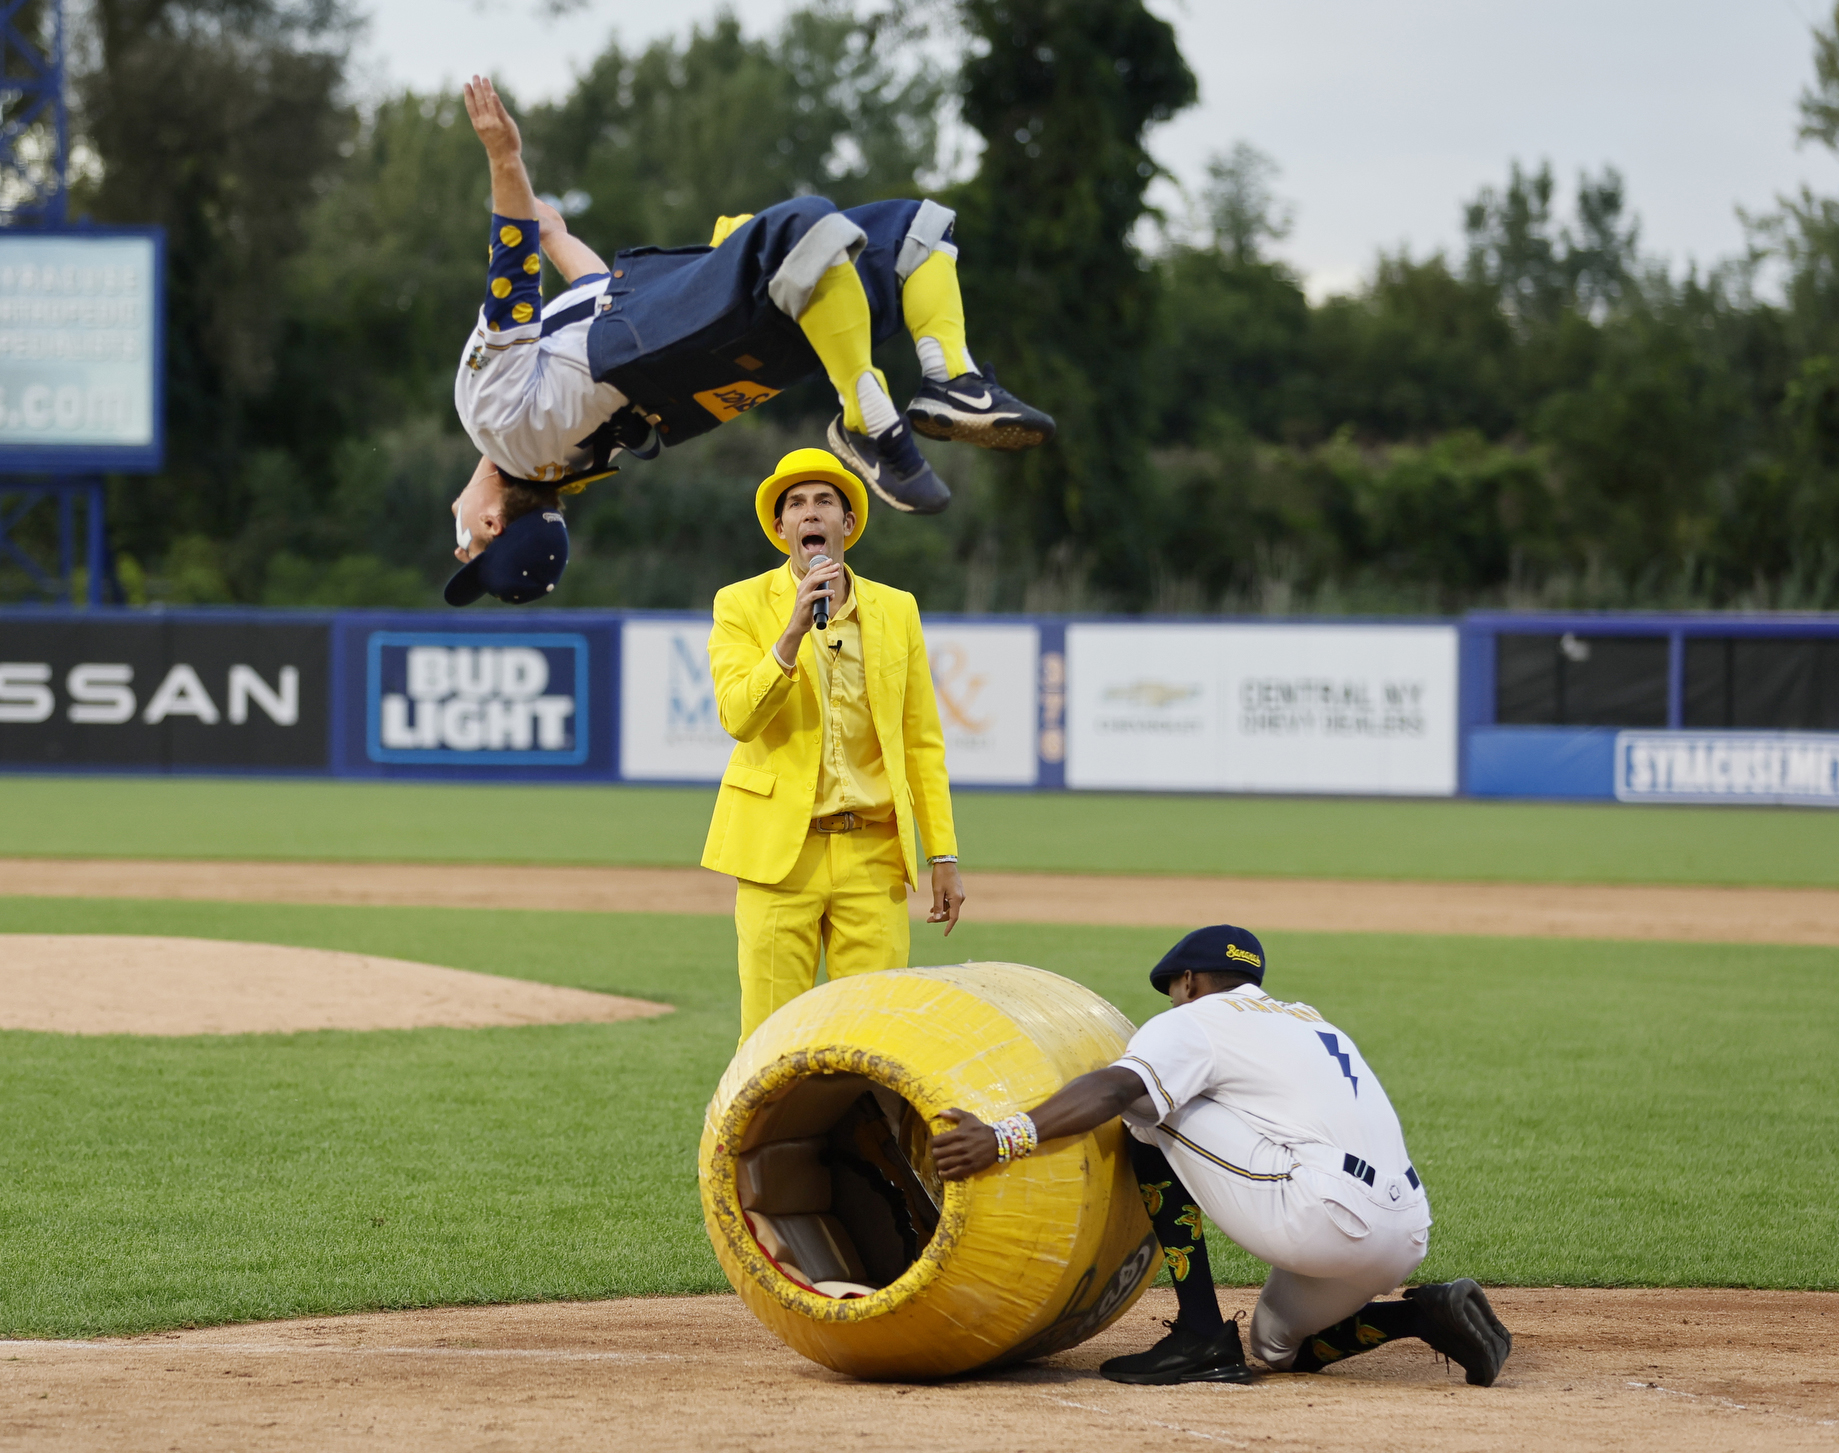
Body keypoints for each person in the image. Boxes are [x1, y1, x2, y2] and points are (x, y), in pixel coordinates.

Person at [445, 75, 1055, 607]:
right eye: (467, 546)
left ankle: (949, 381)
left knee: (906, 234)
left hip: (710, 367)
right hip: (652, 337)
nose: (459, 539)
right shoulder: (489, 413)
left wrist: (554, 233)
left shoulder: (565, 462)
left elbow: (595, 297)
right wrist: (505, 158)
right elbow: (513, 279)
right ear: (494, 523)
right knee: (812, 225)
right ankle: (873, 419)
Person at [930, 925, 1513, 1388]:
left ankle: (1200, 1335)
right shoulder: (1309, 1020)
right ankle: (1424, 1314)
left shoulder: (1196, 1019)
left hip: (1321, 1214)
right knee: (1274, 1347)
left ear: (1187, 981)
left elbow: (1113, 1089)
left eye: (1174, 991)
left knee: (1144, 1109)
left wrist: (1003, 1137)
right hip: (1404, 1232)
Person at [701, 446, 966, 1042]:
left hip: (873, 853)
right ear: (780, 529)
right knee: (769, 1038)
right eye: (795, 504)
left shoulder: (897, 610)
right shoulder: (739, 605)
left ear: (847, 525)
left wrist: (942, 854)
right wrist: (791, 633)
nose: (809, 512)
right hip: (777, 857)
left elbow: (922, 741)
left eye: (825, 501)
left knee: (874, 1034)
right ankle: (756, 1141)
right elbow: (738, 717)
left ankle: (864, 1140)